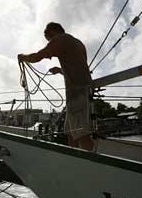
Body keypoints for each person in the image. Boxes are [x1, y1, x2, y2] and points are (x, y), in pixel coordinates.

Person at [17, 22, 94, 151]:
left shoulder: (60, 39)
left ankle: (92, 164)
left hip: (77, 91)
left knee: (81, 133)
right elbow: (77, 67)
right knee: (70, 133)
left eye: (47, 35)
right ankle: (74, 161)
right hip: (79, 91)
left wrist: (23, 57)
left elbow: (39, 56)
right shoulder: (76, 42)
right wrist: (59, 70)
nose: (47, 39)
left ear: (52, 31)